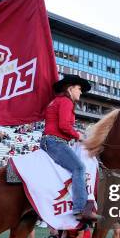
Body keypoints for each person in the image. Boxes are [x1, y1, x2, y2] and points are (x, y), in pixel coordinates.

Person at [41, 74, 98, 221]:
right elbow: (64, 126)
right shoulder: (66, 102)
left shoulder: (57, 101)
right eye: (79, 89)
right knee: (79, 168)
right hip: (56, 142)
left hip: (51, 141)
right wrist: (79, 136)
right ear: (70, 88)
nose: (80, 92)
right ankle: (80, 209)